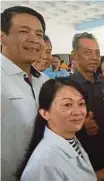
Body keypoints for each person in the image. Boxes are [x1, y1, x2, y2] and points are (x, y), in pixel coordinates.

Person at [1, 6, 49, 180]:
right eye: (24, 31)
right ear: (2, 37)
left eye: (39, 34)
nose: (34, 40)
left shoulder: (46, 82)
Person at [16, 78, 97, 180]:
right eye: (67, 105)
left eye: (81, 104)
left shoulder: (71, 139)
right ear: (45, 113)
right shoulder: (44, 163)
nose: (77, 112)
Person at [69, 32, 104, 181]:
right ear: (74, 55)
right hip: (83, 161)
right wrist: (80, 125)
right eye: (87, 52)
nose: (94, 57)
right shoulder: (66, 87)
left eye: (97, 53)